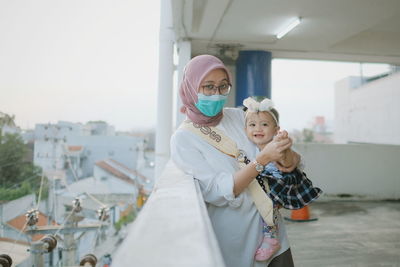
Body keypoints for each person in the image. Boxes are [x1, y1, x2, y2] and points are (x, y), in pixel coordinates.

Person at [170, 54, 300, 267]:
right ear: (191, 88)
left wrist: (284, 150)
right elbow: (218, 191)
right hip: (236, 242)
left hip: (274, 235)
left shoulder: (240, 117)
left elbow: (287, 162)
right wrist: (261, 160)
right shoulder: (183, 139)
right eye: (208, 87)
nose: (217, 94)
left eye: (223, 87)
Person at [242, 97, 322, 262]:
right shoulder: (248, 147)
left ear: (276, 129)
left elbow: (290, 162)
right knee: (263, 208)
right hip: (265, 185)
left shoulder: (277, 144)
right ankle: (268, 234)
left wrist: (283, 144)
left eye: (264, 124)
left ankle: (271, 238)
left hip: (279, 183)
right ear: (245, 129)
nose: (258, 128)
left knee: (267, 208)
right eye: (252, 125)